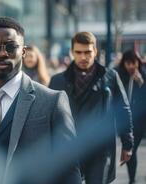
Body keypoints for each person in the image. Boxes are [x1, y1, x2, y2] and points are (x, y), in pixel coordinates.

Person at [0, 17, 81, 184]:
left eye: (10, 47)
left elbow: (69, 168)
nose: (2, 53)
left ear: (23, 51)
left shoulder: (52, 101)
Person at [49, 32, 134, 184]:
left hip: (99, 147)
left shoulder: (110, 77)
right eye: (78, 52)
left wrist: (127, 144)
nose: (83, 57)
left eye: (87, 52)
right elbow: (48, 115)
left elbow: (123, 109)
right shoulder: (58, 81)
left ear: (95, 51)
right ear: (72, 52)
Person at [117, 50, 146, 184]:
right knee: (128, 149)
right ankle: (132, 178)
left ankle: (132, 179)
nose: (131, 66)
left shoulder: (143, 75)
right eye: (128, 63)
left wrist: (141, 83)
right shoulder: (118, 75)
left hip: (139, 121)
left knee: (131, 150)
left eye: (133, 63)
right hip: (124, 120)